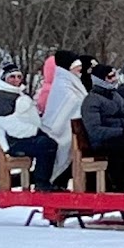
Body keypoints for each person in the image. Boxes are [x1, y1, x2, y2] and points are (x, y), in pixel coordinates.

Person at [0, 63, 60, 191]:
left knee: (53, 143)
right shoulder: (2, 98)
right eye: (12, 77)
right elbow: (11, 126)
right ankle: (41, 183)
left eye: (18, 76)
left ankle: (46, 179)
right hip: (14, 142)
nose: (16, 80)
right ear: (4, 79)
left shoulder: (16, 94)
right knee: (47, 145)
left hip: (25, 137)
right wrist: (36, 131)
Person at [81, 64, 124, 191]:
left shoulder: (115, 96)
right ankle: (119, 185)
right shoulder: (92, 101)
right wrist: (122, 131)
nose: (114, 80)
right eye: (110, 77)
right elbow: (94, 130)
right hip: (101, 143)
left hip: (117, 138)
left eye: (115, 76)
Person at [40, 50, 88, 183]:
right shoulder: (62, 84)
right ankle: (57, 179)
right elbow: (67, 105)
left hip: (72, 128)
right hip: (61, 130)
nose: (79, 71)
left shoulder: (71, 82)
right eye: (76, 68)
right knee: (66, 148)